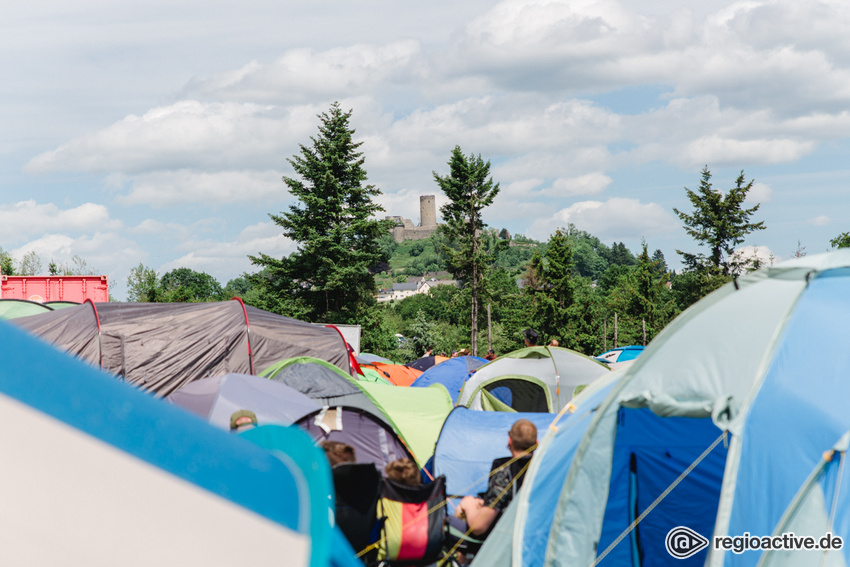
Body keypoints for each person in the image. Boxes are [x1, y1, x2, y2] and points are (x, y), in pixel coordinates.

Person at [453, 419, 538, 538]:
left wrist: (469, 505)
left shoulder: (504, 471)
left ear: (510, 441)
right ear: (537, 443)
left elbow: (479, 526)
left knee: (451, 522)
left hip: (505, 538)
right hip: (535, 535)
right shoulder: (544, 468)